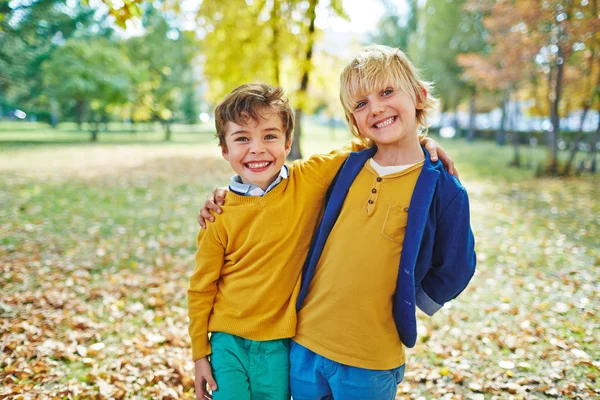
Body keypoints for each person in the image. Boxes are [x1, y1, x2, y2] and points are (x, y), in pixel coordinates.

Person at [189, 82, 454, 400]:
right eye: (242, 139)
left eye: (269, 136)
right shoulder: (218, 213)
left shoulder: (308, 178)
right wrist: (199, 354)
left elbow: (366, 144)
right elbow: (201, 287)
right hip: (227, 339)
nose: (257, 149)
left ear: (288, 143)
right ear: (225, 150)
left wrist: (422, 142)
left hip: (280, 341)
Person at [288, 45, 477, 399]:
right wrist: (226, 194)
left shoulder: (442, 187)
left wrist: (413, 298)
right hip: (305, 343)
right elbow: (281, 187)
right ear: (353, 120)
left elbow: (457, 263)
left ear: (419, 96)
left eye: (387, 92)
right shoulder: (345, 167)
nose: (375, 108)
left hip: (371, 357)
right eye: (361, 104)